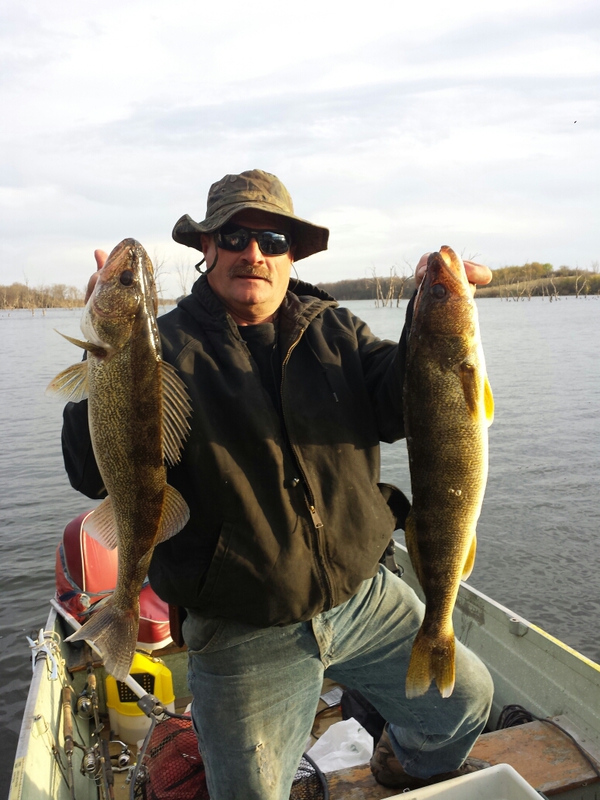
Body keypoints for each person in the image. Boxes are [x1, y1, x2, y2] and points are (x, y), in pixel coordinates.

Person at [62, 169, 494, 799]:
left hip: (360, 596)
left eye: (271, 238)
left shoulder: (336, 329)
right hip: (245, 626)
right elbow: (88, 469)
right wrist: (106, 352)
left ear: (293, 253)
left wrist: (432, 310)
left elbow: (406, 398)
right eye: (235, 236)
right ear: (206, 249)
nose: (253, 253)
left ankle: (404, 763)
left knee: (466, 702)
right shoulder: (165, 350)